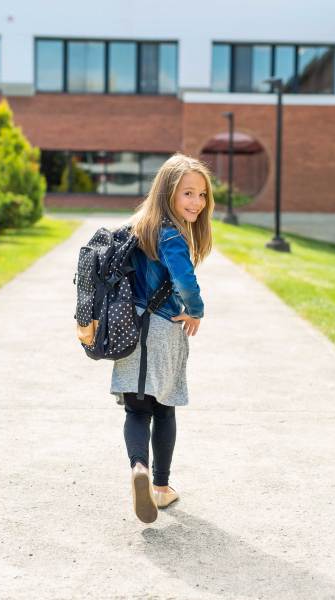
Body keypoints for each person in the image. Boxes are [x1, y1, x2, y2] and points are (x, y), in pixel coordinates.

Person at [111, 152, 214, 524]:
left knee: (137, 409)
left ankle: (138, 467)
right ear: (167, 192)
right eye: (188, 193)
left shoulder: (137, 227)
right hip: (162, 329)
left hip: (129, 326)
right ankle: (161, 486)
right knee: (165, 406)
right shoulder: (170, 234)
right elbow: (185, 279)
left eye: (202, 195)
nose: (197, 203)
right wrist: (196, 309)